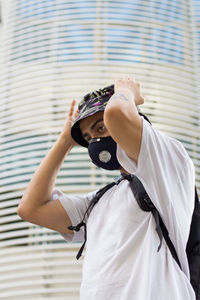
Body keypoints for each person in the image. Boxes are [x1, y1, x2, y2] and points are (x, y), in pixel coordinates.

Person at [17, 77, 196, 300]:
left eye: (100, 128)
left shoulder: (167, 164)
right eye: (88, 138)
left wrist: (127, 91)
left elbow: (117, 116)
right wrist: (65, 140)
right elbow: (30, 208)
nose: (94, 142)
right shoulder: (98, 202)